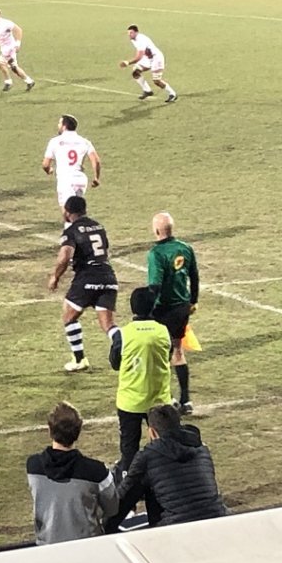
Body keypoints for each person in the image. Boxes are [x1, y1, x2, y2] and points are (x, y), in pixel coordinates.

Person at [111, 404, 226, 528]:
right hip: (218, 520)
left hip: (175, 528)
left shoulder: (147, 456)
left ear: (152, 432)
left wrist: (105, 530)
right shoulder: (202, 448)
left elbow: (124, 500)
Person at [26, 402, 120, 545]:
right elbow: (112, 508)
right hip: (87, 547)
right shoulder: (97, 471)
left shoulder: (33, 466)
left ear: (49, 431)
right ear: (78, 432)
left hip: (47, 546)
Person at [47, 196, 120, 372]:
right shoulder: (99, 226)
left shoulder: (71, 231)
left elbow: (64, 257)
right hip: (108, 277)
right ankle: (123, 342)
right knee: (108, 325)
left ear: (67, 211)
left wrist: (55, 277)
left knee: (69, 316)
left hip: (88, 277)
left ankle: (79, 359)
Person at [109, 288, 172, 473]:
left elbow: (114, 363)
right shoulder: (163, 331)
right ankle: (164, 482)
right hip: (159, 400)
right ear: (153, 307)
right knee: (164, 447)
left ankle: (129, 488)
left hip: (130, 401)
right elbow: (167, 357)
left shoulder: (123, 334)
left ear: (132, 308)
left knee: (129, 450)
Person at [148, 212, 199, 414]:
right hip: (182, 306)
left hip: (163, 308)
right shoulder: (185, 248)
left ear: (157, 230)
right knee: (178, 351)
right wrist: (193, 301)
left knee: (160, 354)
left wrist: (146, 309)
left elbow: (155, 286)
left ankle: (166, 398)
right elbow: (194, 277)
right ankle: (186, 399)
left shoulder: (156, 253)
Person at [42, 115, 100, 217]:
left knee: (68, 214)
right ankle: (83, 229)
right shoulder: (84, 141)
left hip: (65, 180)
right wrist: (96, 177)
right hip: (80, 180)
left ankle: (74, 231)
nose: (58, 126)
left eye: (59, 123)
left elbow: (45, 164)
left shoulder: (55, 141)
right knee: (78, 211)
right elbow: (96, 160)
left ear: (64, 126)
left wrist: (49, 170)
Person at [119, 25, 177, 103]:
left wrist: (128, 62)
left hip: (156, 58)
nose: (129, 35)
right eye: (128, 33)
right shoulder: (133, 39)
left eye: (131, 33)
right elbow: (140, 53)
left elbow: (139, 57)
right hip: (147, 58)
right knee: (135, 72)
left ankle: (172, 93)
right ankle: (147, 90)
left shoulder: (141, 39)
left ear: (136, 32)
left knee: (156, 81)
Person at [0, 8, 34, 92]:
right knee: (13, 67)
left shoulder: (6, 23)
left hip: (10, 47)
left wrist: (18, 43)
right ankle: (29, 81)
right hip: (3, 48)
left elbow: (18, 30)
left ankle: (9, 82)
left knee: (0, 63)